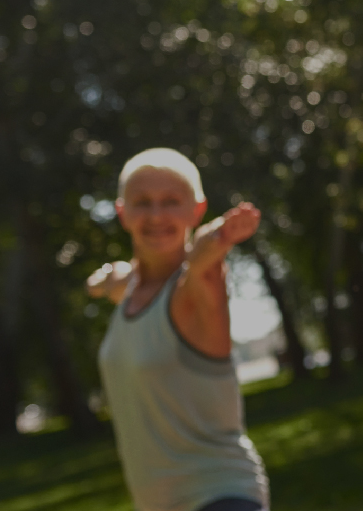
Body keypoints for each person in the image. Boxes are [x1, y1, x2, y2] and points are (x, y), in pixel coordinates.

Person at [87, 148, 271, 511]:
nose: (157, 215)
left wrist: (222, 234)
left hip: (220, 497)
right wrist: (103, 280)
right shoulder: (131, 291)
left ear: (197, 209)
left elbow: (203, 256)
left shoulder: (195, 290)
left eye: (172, 201)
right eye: (142, 202)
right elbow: (110, 283)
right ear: (122, 212)